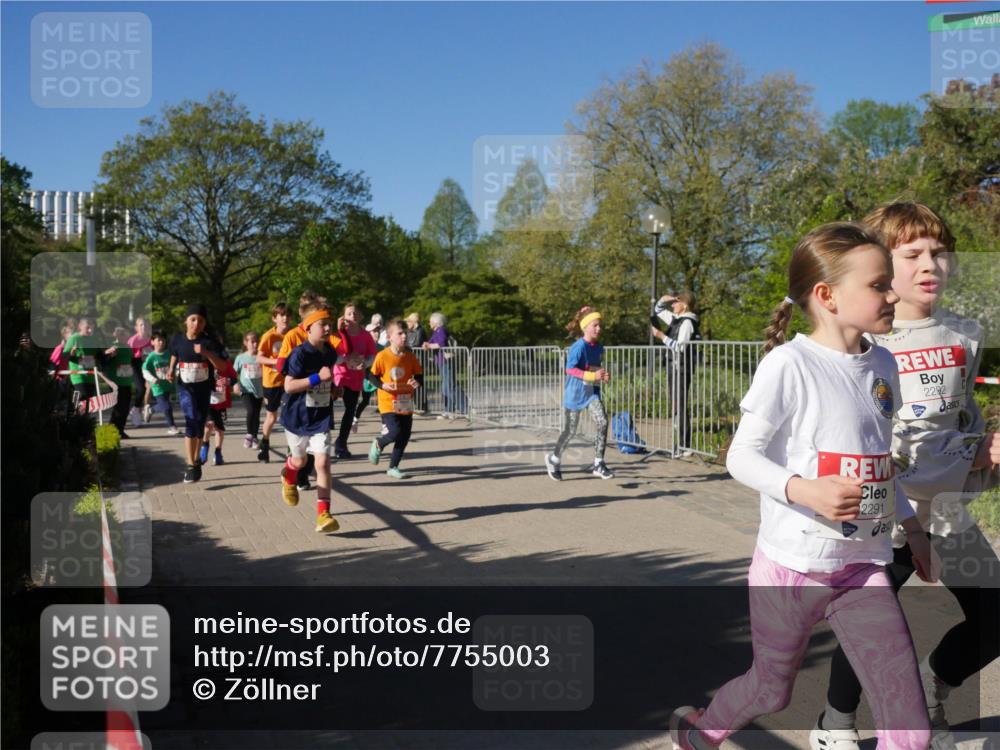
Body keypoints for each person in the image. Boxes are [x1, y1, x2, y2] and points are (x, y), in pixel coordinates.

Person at [669, 222, 936, 750]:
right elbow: (740, 456)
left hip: (863, 567)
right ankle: (702, 729)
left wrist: (912, 525)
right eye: (879, 284)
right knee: (771, 692)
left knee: (912, 733)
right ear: (827, 296)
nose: (893, 293)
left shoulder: (883, 363)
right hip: (790, 567)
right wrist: (803, 489)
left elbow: (879, 462)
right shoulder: (788, 364)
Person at [810, 203, 1000, 750]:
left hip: (945, 510)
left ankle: (933, 684)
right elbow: (859, 434)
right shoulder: (864, 341)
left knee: (993, 615)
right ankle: (835, 726)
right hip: (882, 517)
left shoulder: (966, 335)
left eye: (939, 253)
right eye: (912, 253)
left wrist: (980, 452)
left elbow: (962, 415)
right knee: (869, 626)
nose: (930, 265)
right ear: (880, 264)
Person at [279, 306, 340, 533]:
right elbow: (289, 385)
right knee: (300, 462)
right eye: (322, 324)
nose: (327, 328)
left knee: (322, 463)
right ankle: (288, 475)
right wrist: (316, 378)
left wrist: (334, 389)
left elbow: (327, 381)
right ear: (308, 328)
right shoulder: (299, 354)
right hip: (297, 416)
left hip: (321, 415)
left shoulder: (330, 352)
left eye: (329, 325)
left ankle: (323, 515)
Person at [544, 306, 614, 481]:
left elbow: (593, 368)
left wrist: (602, 375)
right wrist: (592, 375)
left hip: (591, 392)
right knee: (570, 431)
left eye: (600, 325)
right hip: (574, 394)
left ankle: (598, 463)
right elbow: (570, 370)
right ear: (585, 327)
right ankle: (553, 459)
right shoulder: (578, 347)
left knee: (603, 421)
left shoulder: (599, 347)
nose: (599, 329)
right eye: (595, 325)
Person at [166, 303, 227, 484]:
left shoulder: (209, 343)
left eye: (200, 321)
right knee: (191, 419)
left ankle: (196, 462)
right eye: (193, 319)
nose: (196, 324)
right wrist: (170, 369)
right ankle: (191, 463)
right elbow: (175, 354)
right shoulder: (177, 339)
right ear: (186, 321)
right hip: (185, 388)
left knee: (200, 423)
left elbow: (222, 366)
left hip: (203, 389)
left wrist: (207, 353)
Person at [367, 318, 423, 479]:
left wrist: (417, 381)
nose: (404, 336)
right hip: (387, 402)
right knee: (395, 432)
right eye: (400, 333)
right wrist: (383, 386)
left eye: (405, 333)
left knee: (404, 436)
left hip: (405, 400)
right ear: (390, 336)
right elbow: (371, 376)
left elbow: (419, 375)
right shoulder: (383, 356)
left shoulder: (410, 356)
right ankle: (379, 443)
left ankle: (393, 467)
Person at [650, 292, 702, 458]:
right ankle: (679, 445)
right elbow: (658, 311)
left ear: (684, 306)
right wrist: (664, 300)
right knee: (676, 404)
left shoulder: (687, 322)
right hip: (674, 367)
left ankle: (685, 446)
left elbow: (680, 347)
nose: (673, 305)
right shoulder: (677, 319)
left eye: (676, 303)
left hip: (681, 368)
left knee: (680, 404)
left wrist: (661, 336)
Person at [332, 302, 377, 459]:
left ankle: (341, 443)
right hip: (339, 376)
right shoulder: (337, 334)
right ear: (343, 317)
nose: (353, 316)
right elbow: (333, 357)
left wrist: (365, 363)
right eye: (349, 313)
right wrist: (346, 359)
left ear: (361, 316)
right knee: (327, 408)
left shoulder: (365, 335)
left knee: (350, 411)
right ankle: (320, 442)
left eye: (356, 313)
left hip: (356, 377)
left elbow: (373, 355)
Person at [256, 303, 292, 463]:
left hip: (289, 382)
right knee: (272, 416)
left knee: (290, 415)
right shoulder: (269, 336)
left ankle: (292, 448)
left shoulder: (293, 335)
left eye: (288, 315)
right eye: (281, 315)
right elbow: (259, 358)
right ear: (274, 318)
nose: (285, 318)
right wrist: (275, 361)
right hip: (271, 382)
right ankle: (265, 443)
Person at [200, 342, 237, 467]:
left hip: (221, 402)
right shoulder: (205, 363)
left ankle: (218, 452)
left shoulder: (226, 363)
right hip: (208, 400)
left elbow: (234, 377)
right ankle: (204, 447)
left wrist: (229, 381)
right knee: (208, 425)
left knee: (219, 429)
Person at [423, 311, 465, 416]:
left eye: (430, 321)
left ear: (436, 322)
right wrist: (427, 344)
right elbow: (432, 342)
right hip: (442, 362)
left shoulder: (441, 330)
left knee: (449, 386)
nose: (429, 323)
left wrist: (429, 346)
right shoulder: (436, 331)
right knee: (448, 386)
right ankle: (449, 410)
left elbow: (440, 344)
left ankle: (464, 408)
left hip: (447, 361)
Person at [142, 330, 178, 434]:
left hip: (168, 384)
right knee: (166, 405)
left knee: (166, 406)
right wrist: (153, 379)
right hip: (157, 386)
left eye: (163, 340)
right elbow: (144, 370)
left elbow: (175, 364)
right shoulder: (151, 357)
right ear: (152, 342)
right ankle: (172, 426)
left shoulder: (169, 353)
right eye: (158, 340)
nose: (161, 342)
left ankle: (151, 410)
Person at [65, 317, 104, 412]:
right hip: (78, 375)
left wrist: (108, 354)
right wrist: (72, 354)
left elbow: (99, 355)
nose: (90, 330)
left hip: (90, 375)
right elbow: (65, 355)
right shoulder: (74, 338)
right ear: (80, 327)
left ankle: (83, 421)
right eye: (87, 328)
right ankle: (74, 416)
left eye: (92, 328)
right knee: (83, 395)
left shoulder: (94, 339)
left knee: (89, 401)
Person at [104, 326, 136, 439]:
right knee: (117, 407)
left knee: (125, 407)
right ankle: (112, 430)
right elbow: (104, 362)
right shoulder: (112, 347)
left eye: (125, 334)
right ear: (115, 335)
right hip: (115, 382)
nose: (124, 336)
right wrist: (110, 356)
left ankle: (120, 430)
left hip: (126, 381)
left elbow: (130, 361)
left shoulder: (128, 347)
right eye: (121, 334)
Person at [354, 318, 386, 430]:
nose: (376, 333)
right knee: (365, 401)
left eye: (378, 331)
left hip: (379, 378)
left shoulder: (381, 347)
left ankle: (384, 425)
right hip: (367, 377)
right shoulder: (364, 346)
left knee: (381, 401)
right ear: (368, 333)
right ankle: (355, 419)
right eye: (374, 331)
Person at [234, 331, 264, 450]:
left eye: (256, 341)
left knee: (256, 414)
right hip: (246, 390)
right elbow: (233, 373)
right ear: (245, 343)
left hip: (259, 390)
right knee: (250, 411)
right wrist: (235, 384)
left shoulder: (261, 357)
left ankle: (255, 437)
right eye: (252, 341)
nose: (255, 344)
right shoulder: (241, 358)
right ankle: (249, 435)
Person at [128, 317, 153, 426]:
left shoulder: (151, 339)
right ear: (136, 328)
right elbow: (128, 356)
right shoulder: (133, 340)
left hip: (148, 366)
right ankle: (136, 409)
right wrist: (139, 357)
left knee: (150, 388)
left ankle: (145, 408)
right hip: (136, 365)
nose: (144, 327)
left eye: (146, 325)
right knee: (141, 389)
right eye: (141, 325)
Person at [405, 313, 429, 412]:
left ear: (414, 322)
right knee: (413, 383)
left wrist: (406, 347)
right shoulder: (411, 331)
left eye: (409, 321)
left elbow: (416, 344)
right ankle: (419, 406)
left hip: (419, 361)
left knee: (418, 383)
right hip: (412, 360)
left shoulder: (420, 331)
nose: (407, 324)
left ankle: (422, 407)